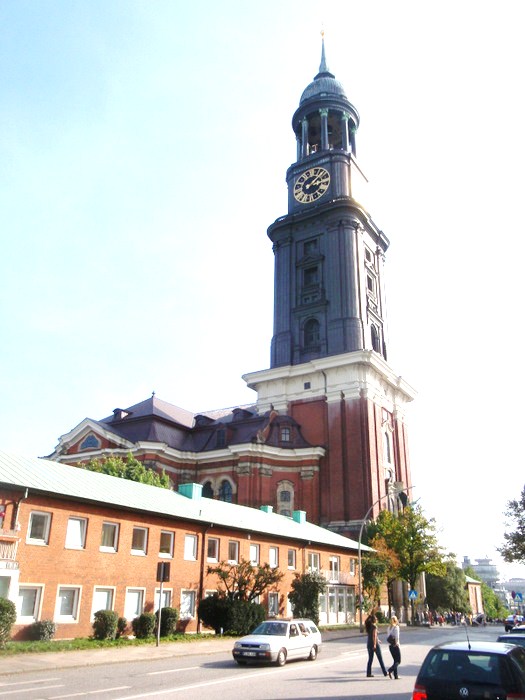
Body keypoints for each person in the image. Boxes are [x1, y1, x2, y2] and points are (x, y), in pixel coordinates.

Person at [365, 613, 388, 678]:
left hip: (369, 644)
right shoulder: (374, 626)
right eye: (376, 618)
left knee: (370, 659)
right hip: (374, 644)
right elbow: (374, 636)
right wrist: (375, 644)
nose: (377, 619)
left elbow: (373, 635)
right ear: (374, 620)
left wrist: (378, 640)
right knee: (380, 659)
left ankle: (368, 673)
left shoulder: (369, 626)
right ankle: (385, 672)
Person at [386, 615, 401, 679]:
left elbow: (388, 637)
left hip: (390, 646)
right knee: (398, 661)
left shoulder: (389, 628)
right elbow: (397, 637)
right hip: (395, 645)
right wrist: (397, 643)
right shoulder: (396, 627)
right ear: (396, 620)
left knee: (395, 660)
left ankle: (396, 675)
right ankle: (390, 670)